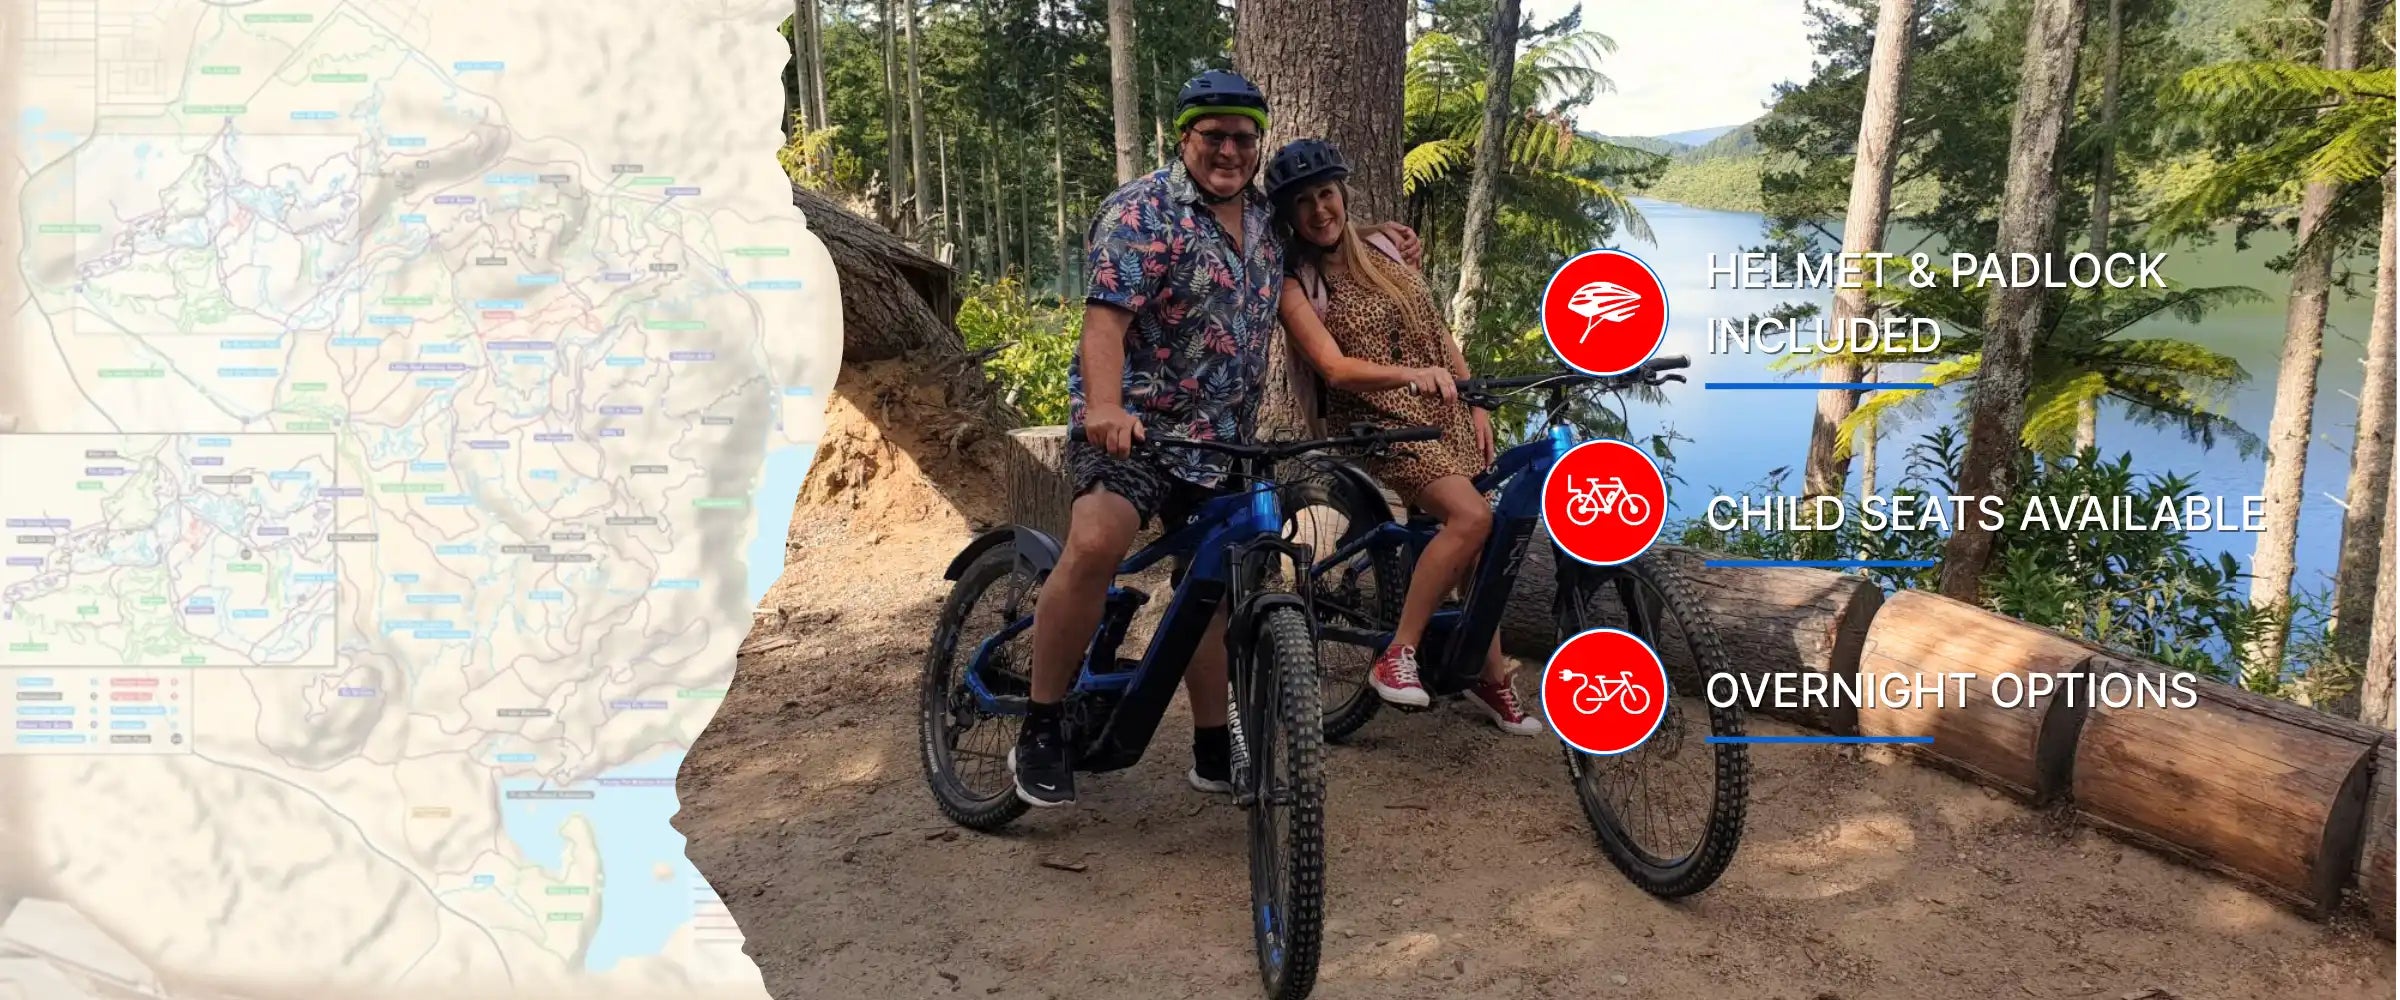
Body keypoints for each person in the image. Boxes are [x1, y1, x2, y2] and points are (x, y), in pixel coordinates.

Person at [1012, 72, 1423, 807]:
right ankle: (1041, 725)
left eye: (1243, 138)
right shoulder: (1141, 213)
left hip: (1224, 440)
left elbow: (1321, 235)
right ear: (1185, 138)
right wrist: (1104, 408)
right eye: (1214, 136)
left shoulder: (1265, 218)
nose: (1229, 151)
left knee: (1216, 587)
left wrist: (1376, 235)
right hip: (1137, 430)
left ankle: (1210, 744)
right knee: (1098, 540)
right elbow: (1104, 323)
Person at [1264, 137, 1543, 736]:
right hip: (1376, 421)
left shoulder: (1384, 247)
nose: (1319, 210)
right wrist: (1410, 377)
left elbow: (1436, 330)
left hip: (1442, 409)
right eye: (1303, 202)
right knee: (1471, 518)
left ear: (1343, 195)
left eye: (1326, 194)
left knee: (1477, 542)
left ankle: (1488, 676)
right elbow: (1334, 368)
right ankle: (1398, 654)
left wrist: (1473, 398)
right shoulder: (1296, 283)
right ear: (1288, 215)